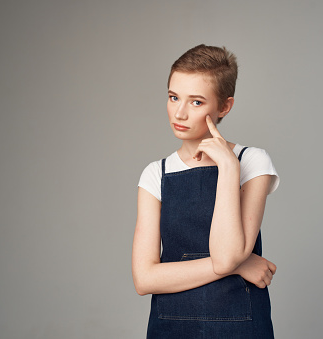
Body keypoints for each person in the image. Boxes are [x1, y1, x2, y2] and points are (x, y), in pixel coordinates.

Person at [132, 44, 280, 338]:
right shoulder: (155, 174)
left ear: (224, 106)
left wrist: (227, 167)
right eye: (173, 97)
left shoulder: (252, 161)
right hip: (171, 326)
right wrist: (240, 266)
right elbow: (144, 279)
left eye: (196, 102)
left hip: (239, 325)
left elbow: (226, 255)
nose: (180, 112)